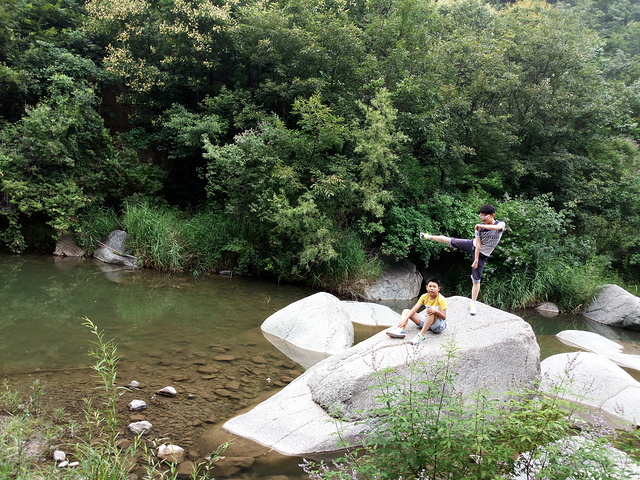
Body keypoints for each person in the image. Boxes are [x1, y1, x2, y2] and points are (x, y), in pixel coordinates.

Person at [420, 203, 505, 315]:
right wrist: (475, 259)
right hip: (473, 246)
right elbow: (478, 245)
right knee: (449, 240)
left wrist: (482, 226)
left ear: (492, 215)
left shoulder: (500, 224)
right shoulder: (479, 228)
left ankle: (473, 304)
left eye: (484, 216)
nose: (482, 219)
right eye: (481, 216)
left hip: (483, 254)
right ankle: (428, 236)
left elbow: (497, 228)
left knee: (476, 279)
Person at [386, 277, 447, 345]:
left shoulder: (441, 299)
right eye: (430, 286)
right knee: (406, 311)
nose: (431, 288)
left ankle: (421, 336)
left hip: (438, 325)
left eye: (434, 287)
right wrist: (405, 319)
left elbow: (444, 317)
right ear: (426, 287)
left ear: (438, 289)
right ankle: (400, 329)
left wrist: (435, 311)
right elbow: (415, 309)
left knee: (431, 312)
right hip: (428, 321)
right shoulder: (424, 296)